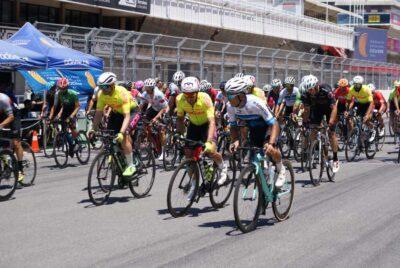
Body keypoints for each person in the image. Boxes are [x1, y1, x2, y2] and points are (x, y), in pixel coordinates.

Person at [225, 77, 286, 187]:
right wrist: (234, 141)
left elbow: (274, 124)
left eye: (231, 96)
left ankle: (281, 168)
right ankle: (266, 174)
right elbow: (233, 126)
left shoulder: (256, 102)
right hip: (254, 129)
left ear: (241, 95)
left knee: (269, 148)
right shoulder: (230, 106)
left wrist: (271, 144)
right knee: (258, 157)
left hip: (268, 127)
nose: (228, 99)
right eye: (227, 95)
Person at [176, 76, 227, 199]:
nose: (189, 97)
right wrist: (178, 134)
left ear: (197, 91)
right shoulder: (180, 99)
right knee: (188, 154)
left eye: (192, 94)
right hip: (194, 125)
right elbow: (180, 119)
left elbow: (212, 122)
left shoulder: (205, 98)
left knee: (210, 151)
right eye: (186, 94)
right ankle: (194, 183)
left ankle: (222, 166)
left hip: (207, 125)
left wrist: (209, 141)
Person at [91, 72, 138, 177]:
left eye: (105, 87)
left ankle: (131, 165)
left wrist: (121, 133)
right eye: (101, 87)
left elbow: (126, 116)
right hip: (117, 112)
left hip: (132, 112)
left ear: (112, 85)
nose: (103, 90)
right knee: (109, 135)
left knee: (124, 135)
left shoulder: (122, 93)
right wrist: (93, 129)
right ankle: (120, 158)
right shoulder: (101, 94)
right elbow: (98, 114)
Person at [301, 75, 340, 173]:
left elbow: (334, 107)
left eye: (312, 89)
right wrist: (305, 123)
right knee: (313, 130)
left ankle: (335, 158)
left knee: (331, 133)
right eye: (309, 90)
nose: (311, 92)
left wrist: (331, 121)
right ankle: (316, 147)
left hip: (328, 109)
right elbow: (307, 110)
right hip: (317, 110)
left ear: (316, 85)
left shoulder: (326, 90)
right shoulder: (306, 94)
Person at [49, 78, 80, 157]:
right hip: (65, 111)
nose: (62, 90)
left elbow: (78, 106)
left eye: (64, 88)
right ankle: (71, 146)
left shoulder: (73, 93)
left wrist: (71, 116)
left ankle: (77, 142)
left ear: (67, 87)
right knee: (64, 131)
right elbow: (62, 106)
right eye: (61, 88)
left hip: (73, 110)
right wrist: (58, 115)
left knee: (72, 127)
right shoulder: (59, 94)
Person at [140, 78, 169, 160]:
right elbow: (141, 106)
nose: (146, 89)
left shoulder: (159, 94)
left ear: (152, 88)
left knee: (161, 131)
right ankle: (151, 145)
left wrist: (156, 118)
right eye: (146, 88)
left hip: (163, 110)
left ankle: (164, 152)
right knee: (144, 123)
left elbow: (164, 108)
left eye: (148, 88)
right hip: (154, 108)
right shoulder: (145, 94)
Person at [0, 92, 25, 182]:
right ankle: (6, 162)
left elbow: (11, 117)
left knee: (16, 142)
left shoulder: (3, 99)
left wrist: (1, 126)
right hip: (2, 114)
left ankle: (20, 168)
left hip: (14, 114)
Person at [345, 75, 375, 139]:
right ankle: (354, 130)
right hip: (359, 104)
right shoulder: (351, 89)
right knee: (351, 117)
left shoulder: (366, 89)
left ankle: (373, 129)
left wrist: (367, 114)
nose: (356, 86)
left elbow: (371, 103)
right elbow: (348, 101)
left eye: (358, 85)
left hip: (368, 104)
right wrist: (347, 111)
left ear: (361, 84)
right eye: (355, 84)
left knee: (366, 120)